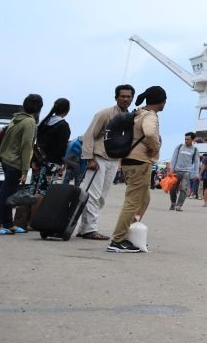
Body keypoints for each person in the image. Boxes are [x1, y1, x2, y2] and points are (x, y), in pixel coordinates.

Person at [107, 86, 164, 253]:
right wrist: (155, 147)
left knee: (144, 199)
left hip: (131, 160)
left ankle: (130, 233)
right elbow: (150, 133)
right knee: (133, 202)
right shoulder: (150, 115)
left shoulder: (139, 112)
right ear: (162, 102)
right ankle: (118, 240)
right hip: (139, 162)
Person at [75, 84, 135, 241]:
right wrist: (89, 158)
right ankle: (90, 229)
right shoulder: (105, 114)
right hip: (98, 158)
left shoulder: (130, 117)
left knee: (102, 196)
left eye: (128, 96)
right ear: (116, 98)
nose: (125, 99)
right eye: (122, 96)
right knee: (93, 195)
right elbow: (89, 135)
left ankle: (84, 228)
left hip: (113, 160)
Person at [0, 94, 43, 235]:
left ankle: (8, 223)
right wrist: (25, 170)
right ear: (39, 109)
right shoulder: (29, 122)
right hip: (15, 163)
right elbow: (26, 146)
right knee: (4, 194)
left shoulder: (16, 118)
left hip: (7, 160)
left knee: (10, 194)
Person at [35, 98, 71, 167]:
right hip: (53, 163)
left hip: (38, 161)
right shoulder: (63, 125)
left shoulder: (44, 121)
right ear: (67, 110)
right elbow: (62, 148)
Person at [166, 132, 198, 211]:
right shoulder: (179, 147)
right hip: (176, 171)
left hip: (187, 172)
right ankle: (173, 203)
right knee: (172, 188)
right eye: (185, 139)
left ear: (192, 140)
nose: (186, 141)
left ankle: (179, 205)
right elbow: (174, 158)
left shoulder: (195, 150)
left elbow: (196, 162)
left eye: (188, 139)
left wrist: (196, 173)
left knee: (184, 189)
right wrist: (171, 169)